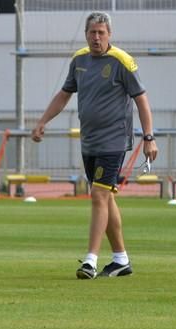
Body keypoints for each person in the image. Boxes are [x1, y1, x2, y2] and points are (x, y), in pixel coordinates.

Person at [31, 11, 158, 279]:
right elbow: (65, 94)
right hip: (89, 141)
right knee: (106, 197)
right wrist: (43, 121)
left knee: (98, 196)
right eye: (92, 32)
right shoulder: (79, 60)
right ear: (86, 34)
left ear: (109, 35)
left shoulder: (123, 61)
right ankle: (121, 259)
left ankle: (90, 260)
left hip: (114, 141)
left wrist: (149, 137)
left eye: (101, 33)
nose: (96, 37)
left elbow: (141, 99)